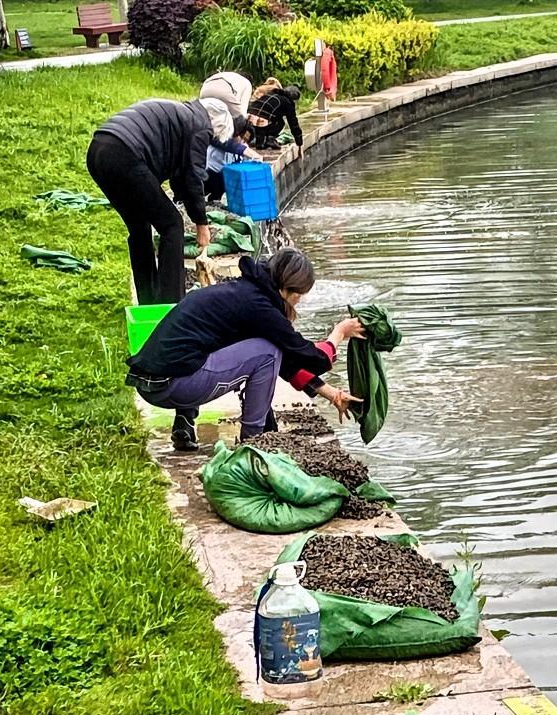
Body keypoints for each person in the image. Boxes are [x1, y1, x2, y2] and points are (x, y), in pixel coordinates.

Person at [126, 248, 364, 451]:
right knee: (266, 352)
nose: (299, 301)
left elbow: (288, 363)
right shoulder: (259, 307)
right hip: (174, 386)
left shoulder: (241, 293)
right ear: (289, 290)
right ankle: (254, 442)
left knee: (214, 346)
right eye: (300, 295)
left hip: (150, 384)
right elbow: (311, 358)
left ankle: (184, 424)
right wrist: (339, 333)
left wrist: (332, 394)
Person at [86, 96, 234, 306]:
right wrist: (202, 224)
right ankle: (171, 303)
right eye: (213, 137)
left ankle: (148, 302)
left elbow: (180, 175)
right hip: (125, 152)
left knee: (139, 226)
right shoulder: (200, 126)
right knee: (172, 225)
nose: (209, 140)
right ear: (215, 124)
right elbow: (193, 177)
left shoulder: (184, 114)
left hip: (98, 151)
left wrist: (185, 201)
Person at [205, 116, 259, 204]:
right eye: (241, 137)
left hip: (222, 180)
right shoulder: (220, 138)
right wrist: (246, 151)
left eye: (245, 140)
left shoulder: (242, 146)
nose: (241, 141)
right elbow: (228, 145)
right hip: (206, 176)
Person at [248, 82, 303, 153]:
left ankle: (260, 142)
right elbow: (293, 124)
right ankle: (269, 139)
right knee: (280, 123)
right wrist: (299, 142)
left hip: (249, 116)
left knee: (272, 119)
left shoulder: (271, 94)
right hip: (262, 120)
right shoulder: (288, 102)